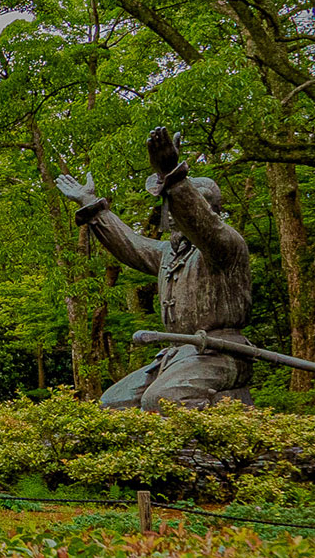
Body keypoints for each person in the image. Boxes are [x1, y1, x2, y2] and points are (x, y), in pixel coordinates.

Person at [55, 128, 253, 410]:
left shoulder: (227, 245)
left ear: (208, 209)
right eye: (169, 205)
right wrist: (93, 207)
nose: (171, 211)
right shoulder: (168, 252)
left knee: (162, 400)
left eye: (179, 203)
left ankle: (212, 436)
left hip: (222, 354)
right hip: (177, 355)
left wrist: (173, 177)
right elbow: (131, 245)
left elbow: (203, 226)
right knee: (113, 402)